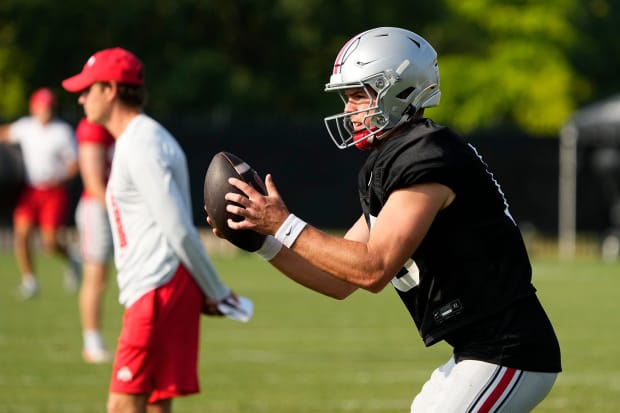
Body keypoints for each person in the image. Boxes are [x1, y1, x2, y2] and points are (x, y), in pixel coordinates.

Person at [216, 27, 562, 412]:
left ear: (399, 89)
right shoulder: (395, 159)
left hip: (507, 351)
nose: (349, 110)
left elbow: (374, 269)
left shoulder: (428, 156)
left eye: (358, 95)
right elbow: (339, 278)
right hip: (479, 351)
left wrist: (283, 223)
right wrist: (264, 241)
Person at [62, 47, 241, 413]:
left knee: (123, 406)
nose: (81, 98)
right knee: (155, 404)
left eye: (87, 89)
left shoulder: (141, 142)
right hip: (159, 287)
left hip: (157, 289)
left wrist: (217, 291)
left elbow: (177, 228)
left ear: (110, 89)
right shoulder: (139, 139)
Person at [0, 87, 81, 299]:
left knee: (50, 242)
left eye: (48, 107)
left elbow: (74, 163)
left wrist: (62, 179)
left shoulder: (62, 131)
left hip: (53, 190)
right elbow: (5, 133)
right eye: (41, 107)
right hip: (30, 190)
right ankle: (30, 281)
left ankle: (72, 260)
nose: (45, 111)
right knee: (22, 235)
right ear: (34, 108)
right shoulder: (26, 127)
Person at [74, 117, 115, 363]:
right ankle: (91, 342)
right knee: (96, 276)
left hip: (111, 207)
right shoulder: (93, 127)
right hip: (98, 208)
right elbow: (94, 183)